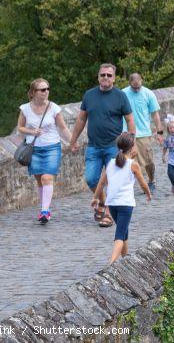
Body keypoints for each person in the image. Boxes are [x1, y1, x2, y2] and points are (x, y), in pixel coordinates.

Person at [70, 63, 135, 228]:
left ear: (114, 78)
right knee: (91, 179)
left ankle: (108, 214)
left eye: (109, 75)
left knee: (113, 180)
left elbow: (129, 119)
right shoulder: (89, 95)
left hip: (114, 147)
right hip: (94, 146)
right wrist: (73, 139)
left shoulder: (120, 96)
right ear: (98, 76)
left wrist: (131, 141)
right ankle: (103, 202)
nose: (105, 77)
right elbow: (81, 119)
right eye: (102, 75)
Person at [16, 78, 72, 224]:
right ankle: (44, 208)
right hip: (34, 149)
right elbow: (20, 128)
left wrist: (72, 142)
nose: (46, 92)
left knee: (47, 178)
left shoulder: (54, 108)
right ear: (33, 92)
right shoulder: (25, 109)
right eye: (42, 90)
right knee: (39, 180)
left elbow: (63, 127)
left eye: (47, 89)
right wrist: (32, 131)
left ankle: (44, 211)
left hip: (52, 147)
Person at [91, 132, 151, 264]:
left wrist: (95, 198)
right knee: (119, 235)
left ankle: (125, 260)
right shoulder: (133, 164)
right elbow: (143, 183)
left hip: (112, 204)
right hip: (125, 204)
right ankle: (111, 263)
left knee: (124, 231)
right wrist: (148, 194)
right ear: (132, 147)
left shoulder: (111, 163)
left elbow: (101, 183)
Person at [122, 73, 162, 193]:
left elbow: (155, 114)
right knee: (127, 161)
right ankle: (129, 186)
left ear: (142, 81)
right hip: (126, 133)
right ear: (130, 83)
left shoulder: (148, 94)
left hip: (143, 133)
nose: (137, 89)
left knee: (148, 161)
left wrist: (159, 132)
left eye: (138, 86)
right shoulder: (123, 94)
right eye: (134, 87)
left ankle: (151, 180)